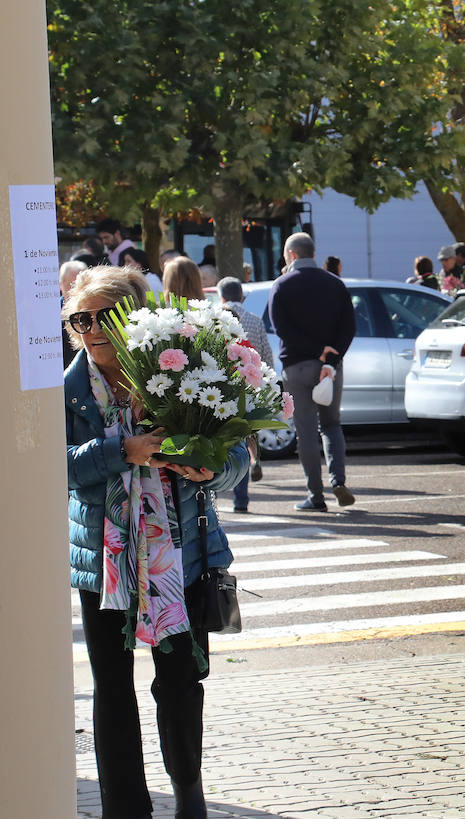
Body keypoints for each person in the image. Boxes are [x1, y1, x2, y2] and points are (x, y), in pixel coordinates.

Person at [64, 265, 248, 819]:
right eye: (81, 319)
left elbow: (236, 457)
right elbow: (56, 467)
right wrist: (123, 450)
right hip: (106, 564)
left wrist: (206, 469)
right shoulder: (67, 390)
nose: (93, 329)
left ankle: (189, 796)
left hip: (180, 557)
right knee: (112, 690)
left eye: (104, 317)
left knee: (180, 683)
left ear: (134, 317)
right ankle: (126, 809)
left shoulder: (180, 373)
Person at [269, 232, 357, 511]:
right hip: (330, 368)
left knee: (306, 431)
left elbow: (281, 328)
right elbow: (349, 326)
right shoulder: (335, 284)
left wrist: (313, 348)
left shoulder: (281, 285)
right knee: (332, 425)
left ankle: (315, 496)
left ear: (292, 254)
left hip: (297, 366)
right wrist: (331, 355)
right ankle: (338, 480)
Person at [218, 276, 276, 509]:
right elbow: (265, 354)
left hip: (221, 384)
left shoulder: (216, 315)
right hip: (248, 382)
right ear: (242, 296)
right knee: (245, 433)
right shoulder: (254, 320)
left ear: (221, 296)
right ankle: (243, 493)